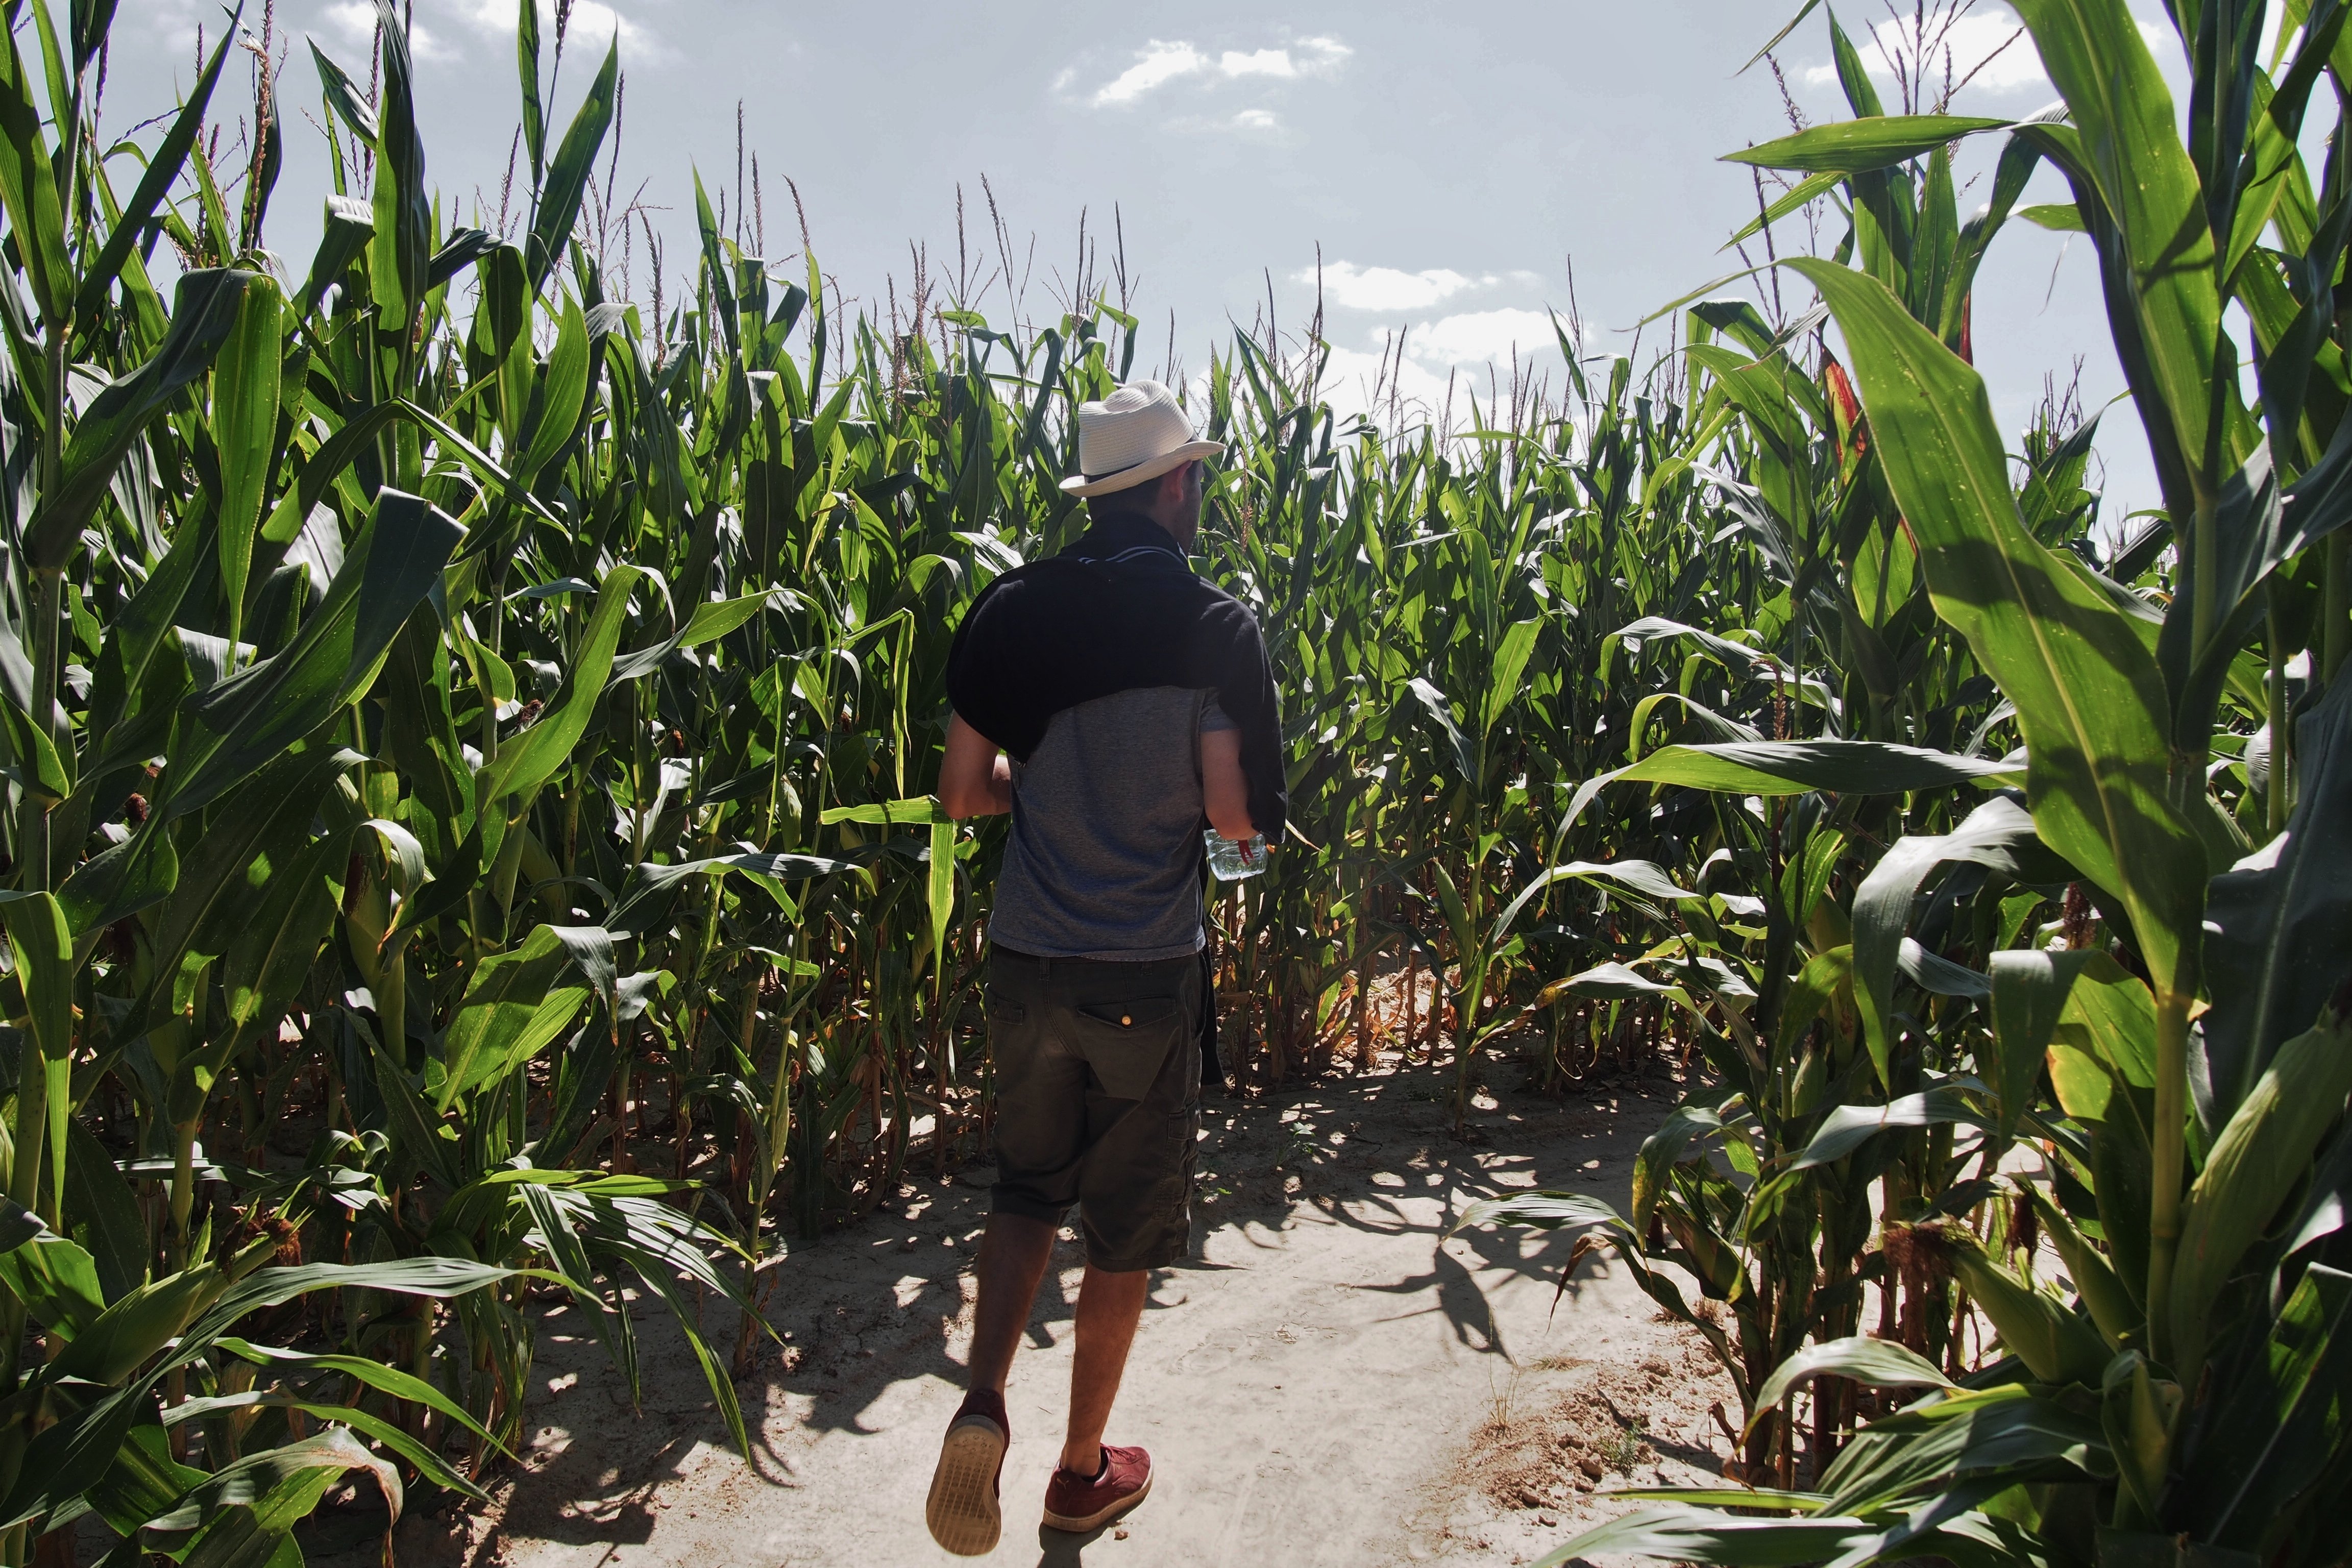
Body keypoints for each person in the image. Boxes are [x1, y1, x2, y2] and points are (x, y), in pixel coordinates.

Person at [923, 380, 1286, 1554]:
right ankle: (1081, 1472)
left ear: (1099, 496)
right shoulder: (1217, 628)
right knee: (1123, 1232)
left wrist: (1052, 785)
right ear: (1178, 485)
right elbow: (1235, 816)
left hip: (1028, 958)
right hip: (1142, 976)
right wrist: (1202, 816)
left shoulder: (1013, 611)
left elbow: (965, 796)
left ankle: (982, 1404)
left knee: (1027, 1190)